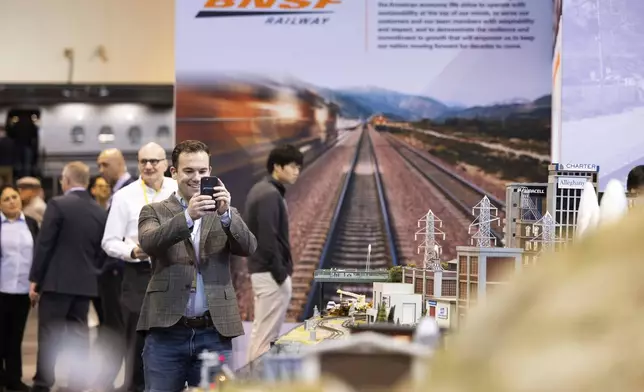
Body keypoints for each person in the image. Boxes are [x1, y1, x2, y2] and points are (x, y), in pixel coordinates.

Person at [137, 140, 257, 391]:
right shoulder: (154, 210)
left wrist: (226, 216)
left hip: (213, 332)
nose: (196, 177)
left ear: (210, 172)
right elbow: (150, 242)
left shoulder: (226, 212)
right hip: (166, 333)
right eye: (189, 171)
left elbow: (249, 247)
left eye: (202, 171)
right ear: (174, 173)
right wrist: (187, 217)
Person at [100, 143, 177, 392]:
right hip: (138, 276)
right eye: (144, 161)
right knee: (138, 341)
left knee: (174, 336)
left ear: (166, 165)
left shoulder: (179, 191)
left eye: (155, 161)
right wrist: (131, 251)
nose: (149, 166)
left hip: (176, 273)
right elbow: (109, 241)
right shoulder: (124, 196)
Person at [29, 162, 107, 392]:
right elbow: (103, 249)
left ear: (66, 180)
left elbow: (45, 244)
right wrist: (94, 273)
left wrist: (36, 279)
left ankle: (44, 382)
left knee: (49, 334)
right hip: (85, 284)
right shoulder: (99, 211)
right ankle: (76, 382)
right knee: (79, 336)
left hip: (56, 283)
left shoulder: (57, 204)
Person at [245, 144, 303, 363]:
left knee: (261, 334)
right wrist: (281, 274)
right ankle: (258, 382)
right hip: (270, 274)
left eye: (299, 166)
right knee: (266, 338)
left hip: (264, 272)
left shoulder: (265, 190)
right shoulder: (269, 194)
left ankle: (253, 381)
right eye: (292, 166)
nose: (297, 171)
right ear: (277, 167)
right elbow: (267, 238)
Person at [95, 148, 136, 391]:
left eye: (104, 165)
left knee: (124, 330)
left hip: (122, 273)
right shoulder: (117, 192)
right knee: (115, 330)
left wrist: (108, 266)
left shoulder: (129, 191)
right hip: (113, 274)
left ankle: (127, 381)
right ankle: (113, 379)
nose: (100, 170)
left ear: (119, 164)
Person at [0, 185, 39, 392]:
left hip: (23, 289)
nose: (12, 201)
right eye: (6, 199)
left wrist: (37, 283)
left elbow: (38, 256)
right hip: (1, 289)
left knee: (16, 337)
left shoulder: (31, 224)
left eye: (14, 196)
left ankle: (14, 379)